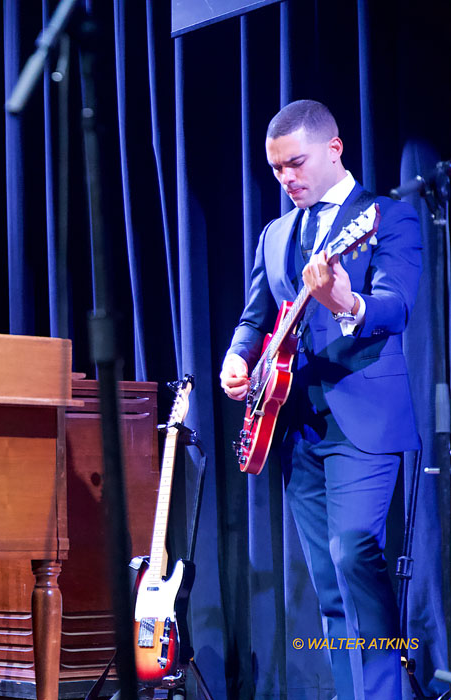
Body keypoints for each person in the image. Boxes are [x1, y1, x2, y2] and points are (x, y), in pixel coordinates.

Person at [220, 100, 421, 698]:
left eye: (296, 164)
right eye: (277, 169)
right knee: (329, 580)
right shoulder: (275, 234)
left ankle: (386, 692)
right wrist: (238, 357)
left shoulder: (386, 217)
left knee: (354, 550)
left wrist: (346, 302)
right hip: (292, 421)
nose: (287, 179)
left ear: (334, 149)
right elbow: (256, 317)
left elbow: (397, 305)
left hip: (362, 417)